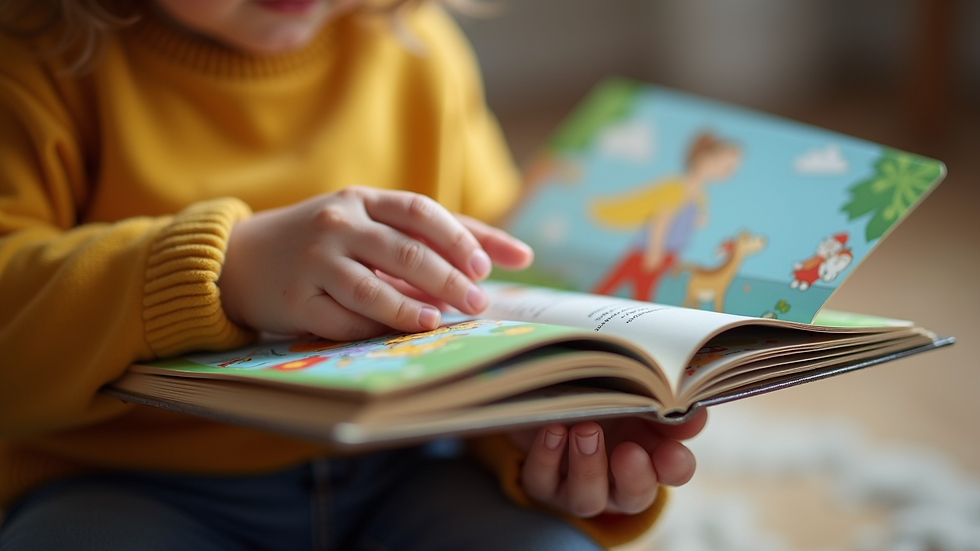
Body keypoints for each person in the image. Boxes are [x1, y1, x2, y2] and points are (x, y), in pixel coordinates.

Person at [0, 0, 706, 549]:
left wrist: (535, 426)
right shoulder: (33, 57)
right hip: (123, 480)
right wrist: (225, 271)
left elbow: (494, 297)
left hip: (408, 468)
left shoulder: (416, 48)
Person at [591, 132, 742, 302]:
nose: (728, 172)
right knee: (623, 290)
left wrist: (698, 219)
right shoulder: (676, 188)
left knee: (639, 292)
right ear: (703, 160)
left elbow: (696, 220)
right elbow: (661, 220)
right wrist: (654, 251)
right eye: (725, 166)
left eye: (731, 168)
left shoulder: (699, 195)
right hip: (647, 252)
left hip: (669, 253)